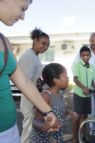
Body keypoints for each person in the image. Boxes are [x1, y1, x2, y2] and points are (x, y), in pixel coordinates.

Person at [0, 0, 57, 142]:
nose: (23, 17)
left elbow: (24, 81)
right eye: (22, 8)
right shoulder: (28, 56)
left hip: (10, 129)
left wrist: (47, 111)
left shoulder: (4, 41)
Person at [30, 63, 77, 142]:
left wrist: (68, 111)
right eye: (65, 75)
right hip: (43, 139)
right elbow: (36, 120)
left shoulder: (60, 93)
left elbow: (59, 107)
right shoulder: (46, 96)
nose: (68, 78)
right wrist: (43, 127)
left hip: (55, 137)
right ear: (56, 80)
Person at [18, 27, 50, 143]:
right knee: (29, 128)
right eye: (43, 43)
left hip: (35, 98)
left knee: (33, 129)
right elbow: (24, 81)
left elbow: (35, 79)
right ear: (35, 40)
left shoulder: (34, 57)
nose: (45, 47)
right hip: (30, 99)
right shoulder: (29, 55)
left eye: (48, 45)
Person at [71, 32, 95, 122]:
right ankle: (92, 127)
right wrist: (82, 79)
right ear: (89, 41)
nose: (94, 42)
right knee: (91, 107)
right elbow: (74, 66)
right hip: (89, 84)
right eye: (92, 40)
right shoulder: (85, 51)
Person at [72, 46, 95, 143]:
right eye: (83, 55)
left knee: (84, 117)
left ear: (90, 55)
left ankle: (82, 137)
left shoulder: (92, 67)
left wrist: (94, 86)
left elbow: (91, 79)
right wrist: (83, 88)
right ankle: (75, 139)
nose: (86, 57)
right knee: (77, 118)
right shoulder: (77, 65)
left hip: (88, 95)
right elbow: (75, 79)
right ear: (80, 56)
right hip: (79, 95)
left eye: (87, 55)